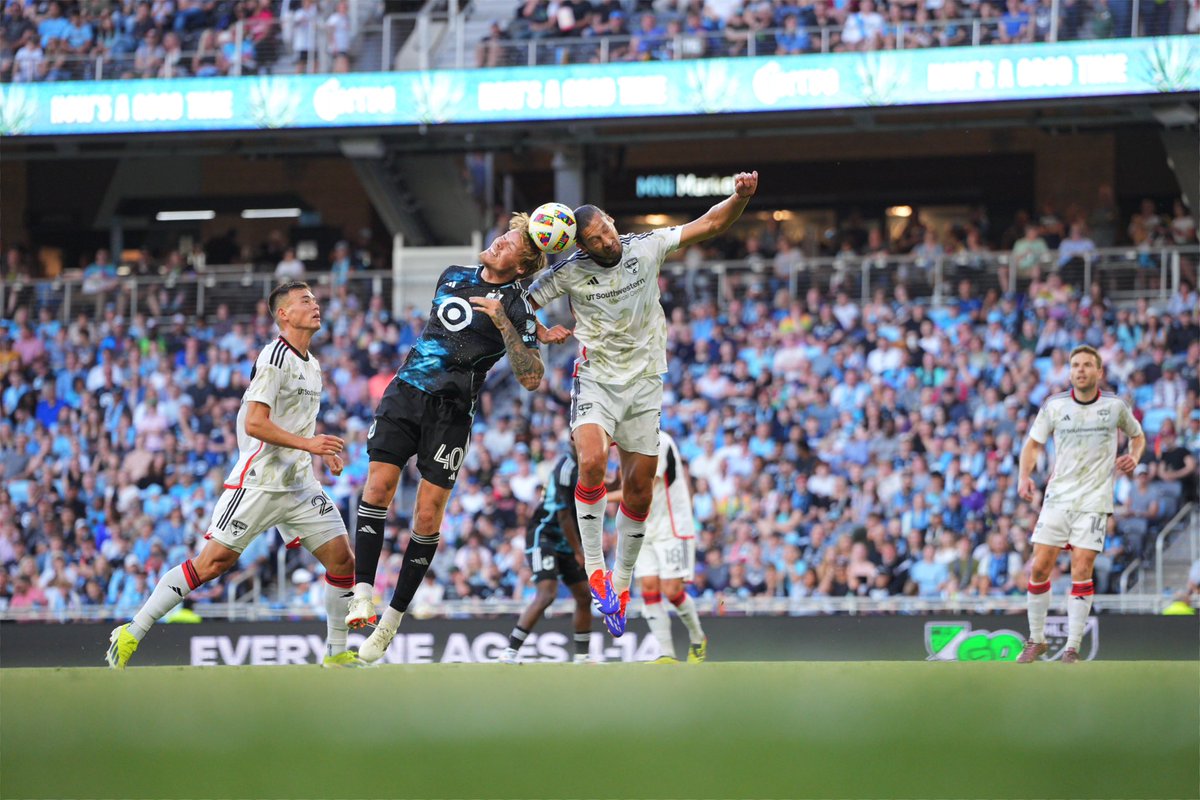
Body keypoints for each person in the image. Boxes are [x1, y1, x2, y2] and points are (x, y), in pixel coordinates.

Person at [527, 170, 758, 637]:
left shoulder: (646, 246)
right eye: (595, 239)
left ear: (613, 222)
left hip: (646, 383)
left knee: (639, 491)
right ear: (581, 245)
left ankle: (621, 583)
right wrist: (539, 331)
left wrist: (740, 197)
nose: (607, 241)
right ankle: (597, 570)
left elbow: (711, 223)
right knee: (592, 462)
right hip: (597, 380)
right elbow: (521, 303)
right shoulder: (568, 271)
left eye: (607, 229)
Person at [106, 281, 364, 668]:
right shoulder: (274, 357)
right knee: (212, 563)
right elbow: (255, 423)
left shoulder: (312, 364)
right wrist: (309, 445)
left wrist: (320, 451)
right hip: (259, 482)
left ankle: (336, 653)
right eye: (305, 300)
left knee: (342, 560)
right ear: (284, 314)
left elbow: (296, 423)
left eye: (314, 299)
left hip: (298, 484)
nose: (316, 305)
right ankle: (132, 631)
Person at [347, 212, 547, 663]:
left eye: (511, 244)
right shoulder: (452, 274)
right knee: (377, 487)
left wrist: (504, 324)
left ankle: (392, 620)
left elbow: (532, 377)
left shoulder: (518, 307)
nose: (499, 241)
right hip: (405, 393)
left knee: (427, 515)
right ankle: (362, 595)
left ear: (520, 266)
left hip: (452, 414)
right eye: (504, 235)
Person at [1016, 344, 1144, 664]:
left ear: (1099, 371)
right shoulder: (1054, 405)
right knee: (1039, 567)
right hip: (1058, 497)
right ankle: (1037, 639)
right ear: (1069, 372)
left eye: (1087, 365)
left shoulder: (1115, 406)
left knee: (1082, 566)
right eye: (1075, 365)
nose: (1081, 370)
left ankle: (1072, 647)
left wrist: (1134, 456)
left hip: (1094, 499)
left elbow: (1138, 435)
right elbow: (1033, 444)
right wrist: (1024, 476)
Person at [498, 443, 595, 664]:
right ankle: (509, 652)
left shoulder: (590, 464)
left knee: (584, 595)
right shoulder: (566, 469)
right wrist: (578, 551)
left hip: (567, 540)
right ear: (573, 440)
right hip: (545, 536)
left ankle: (582, 656)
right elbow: (564, 516)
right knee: (546, 594)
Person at [635, 432, 707, 663]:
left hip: (670, 527)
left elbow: (645, 488)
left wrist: (600, 496)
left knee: (672, 590)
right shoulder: (626, 445)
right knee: (648, 586)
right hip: (643, 526)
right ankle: (666, 653)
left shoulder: (659, 440)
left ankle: (698, 637)